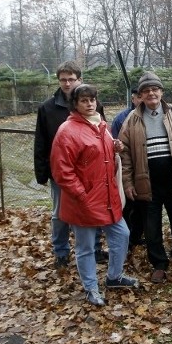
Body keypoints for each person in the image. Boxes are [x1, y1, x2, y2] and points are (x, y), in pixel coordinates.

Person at [50, 84, 139, 306]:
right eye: (84, 101)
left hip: (107, 197)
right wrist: (82, 195)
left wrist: (114, 147)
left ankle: (113, 277)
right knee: (86, 247)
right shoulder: (67, 131)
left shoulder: (101, 125)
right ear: (75, 104)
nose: (90, 104)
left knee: (122, 234)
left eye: (92, 100)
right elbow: (62, 171)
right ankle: (91, 288)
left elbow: (97, 156)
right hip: (83, 201)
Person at [118, 72, 172, 284]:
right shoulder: (132, 120)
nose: (151, 93)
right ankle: (159, 264)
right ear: (140, 95)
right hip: (146, 184)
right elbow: (125, 156)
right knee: (152, 228)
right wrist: (127, 182)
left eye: (155, 89)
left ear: (161, 92)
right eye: (146, 91)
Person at [34, 61, 108, 269]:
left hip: (89, 171)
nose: (67, 83)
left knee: (91, 209)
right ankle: (61, 252)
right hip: (61, 173)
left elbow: (102, 134)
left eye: (71, 79)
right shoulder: (47, 108)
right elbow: (41, 142)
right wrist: (42, 172)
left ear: (79, 79)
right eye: (63, 79)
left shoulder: (94, 105)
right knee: (60, 214)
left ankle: (94, 249)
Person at [111, 87, 145, 251]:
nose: (141, 99)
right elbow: (119, 148)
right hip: (129, 170)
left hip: (148, 172)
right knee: (128, 207)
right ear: (133, 99)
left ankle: (138, 236)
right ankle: (127, 241)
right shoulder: (122, 119)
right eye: (138, 97)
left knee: (142, 208)